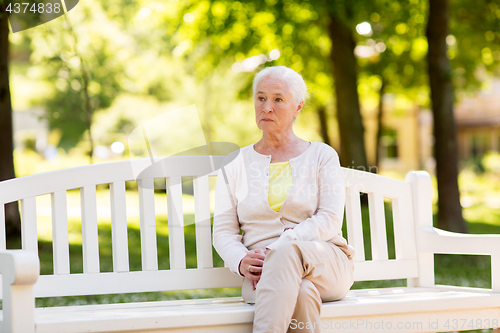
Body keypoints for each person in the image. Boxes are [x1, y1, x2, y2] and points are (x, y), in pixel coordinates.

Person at [213, 66, 355, 333]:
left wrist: (280, 247)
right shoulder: (234, 164)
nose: (267, 107)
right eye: (261, 97)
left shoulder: (322, 156)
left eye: (278, 99)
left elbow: (330, 218)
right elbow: (223, 231)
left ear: (298, 107)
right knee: (300, 293)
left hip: (325, 263)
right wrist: (241, 261)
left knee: (288, 252)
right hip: (262, 276)